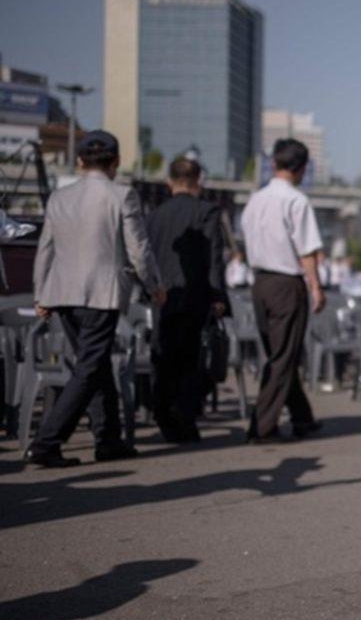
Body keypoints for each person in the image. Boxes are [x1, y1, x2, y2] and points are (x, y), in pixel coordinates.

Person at [27, 130, 166, 468]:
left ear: (79, 160)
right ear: (115, 161)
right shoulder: (122, 195)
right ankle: (47, 442)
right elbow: (139, 248)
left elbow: (45, 248)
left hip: (62, 293)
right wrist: (154, 285)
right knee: (90, 366)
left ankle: (108, 439)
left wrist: (41, 293)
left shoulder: (60, 198)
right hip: (101, 293)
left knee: (96, 363)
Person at [239, 137, 325, 443]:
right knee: (283, 357)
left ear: (274, 164)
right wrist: (316, 287)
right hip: (287, 284)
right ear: (302, 169)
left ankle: (303, 417)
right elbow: (306, 250)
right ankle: (262, 427)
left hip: (260, 282)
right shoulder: (296, 201)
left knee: (279, 353)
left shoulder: (255, 199)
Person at [146, 152, 227, 444]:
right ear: (197, 180)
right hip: (196, 294)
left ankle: (164, 415)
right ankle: (185, 416)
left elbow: (147, 256)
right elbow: (213, 257)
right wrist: (218, 295)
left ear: (169, 181)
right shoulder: (206, 211)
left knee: (164, 355)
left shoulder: (154, 216)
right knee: (192, 359)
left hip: (162, 296)